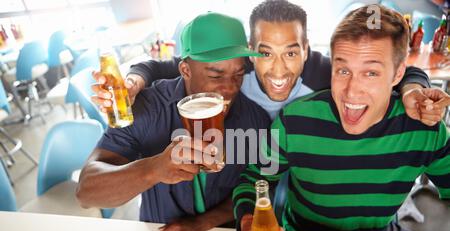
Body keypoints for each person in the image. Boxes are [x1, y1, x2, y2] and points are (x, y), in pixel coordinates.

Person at [232, 4, 450, 231]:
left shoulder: (423, 127)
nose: (351, 91)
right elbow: (255, 178)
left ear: (398, 74)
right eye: (343, 70)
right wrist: (246, 222)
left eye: (371, 73)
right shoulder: (294, 120)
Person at [76, 12, 271, 231]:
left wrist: (204, 223)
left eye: (238, 75)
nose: (229, 88)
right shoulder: (148, 108)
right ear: (185, 70)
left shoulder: (255, 119)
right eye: (215, 75)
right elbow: (86, 193)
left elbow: (257, 185)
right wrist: (155, 168)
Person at [92, 0, 447, 126]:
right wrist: (132, 82)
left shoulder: (324, 72)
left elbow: (400, 73)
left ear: (307, 50)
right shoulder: (235, 70)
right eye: (265, 53)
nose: (278, 70)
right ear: (250, 50)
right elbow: (156, 68)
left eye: (291, 52)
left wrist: (416, 89)